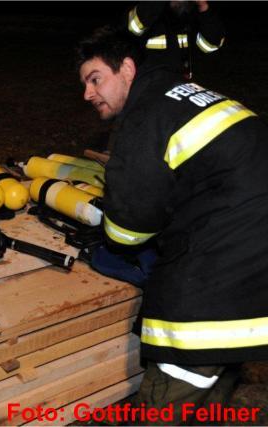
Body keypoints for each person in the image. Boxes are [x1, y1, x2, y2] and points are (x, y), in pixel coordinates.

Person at [76, 26, 268, 424]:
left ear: (127, 68)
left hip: (218, 277)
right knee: (213, 388)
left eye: (95, 79)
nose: (87, 94)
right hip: (256, 268)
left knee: (164, 405)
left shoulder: (145, 118)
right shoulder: (186, 95)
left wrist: (108, 226)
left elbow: (127, 229)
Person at [126, 1, 225, 79]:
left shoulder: (190, 15)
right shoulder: (151, 8)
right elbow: (133, 28)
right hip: (146, 84)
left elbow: (210, 46)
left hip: (178, 85)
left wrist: (203, 6)